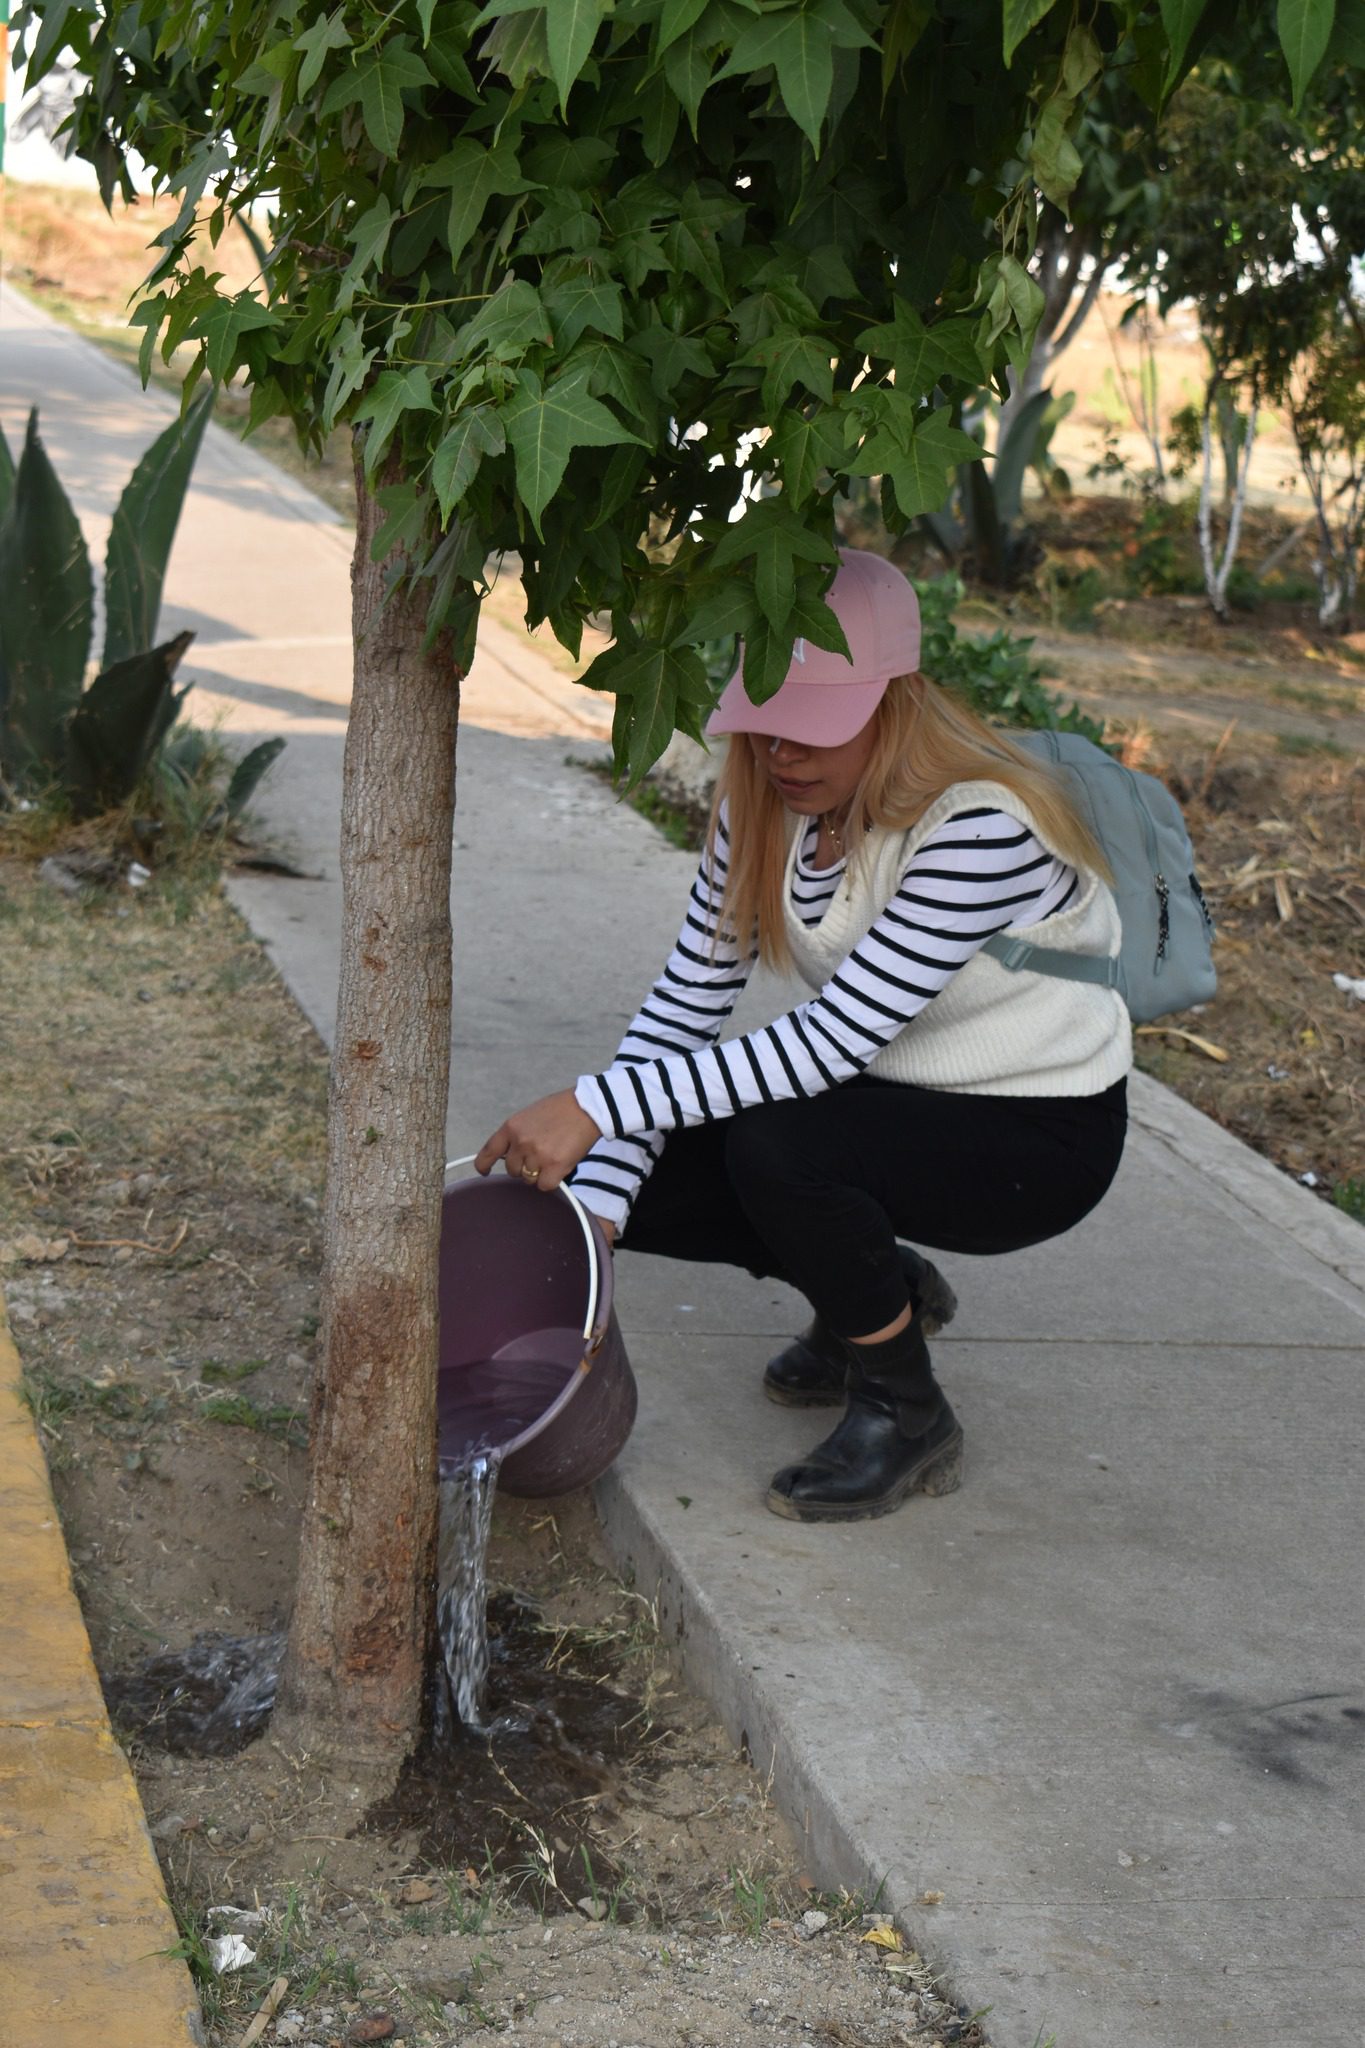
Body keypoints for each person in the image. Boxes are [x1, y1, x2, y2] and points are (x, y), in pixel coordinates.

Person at [475, 547, 1131, 1524]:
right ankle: (884, 1288)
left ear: (896, 705)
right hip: (892, 1097)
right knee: (610, 1177)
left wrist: (592, 1104)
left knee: (777, 1146)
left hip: (1040, 1129)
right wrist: (602, 1205)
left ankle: (908, 1410)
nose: (783, 748)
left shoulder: (984, 823)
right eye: (767, 717)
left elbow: (827, 1042)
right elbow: (691, 996)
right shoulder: (770, 802)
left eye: (815, 724)